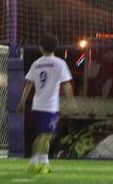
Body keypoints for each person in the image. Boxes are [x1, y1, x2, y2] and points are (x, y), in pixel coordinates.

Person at [16, 33, 77, 174]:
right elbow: (66, 84)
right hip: (49, 106)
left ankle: (44, 162)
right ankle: (34, 163)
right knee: (45, 135)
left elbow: (28, 84)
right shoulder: (59, 63)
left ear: (41, 48)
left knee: (47, 135)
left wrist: (22, 101)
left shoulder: (36, 63)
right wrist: (72, 103)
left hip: (38, 104)